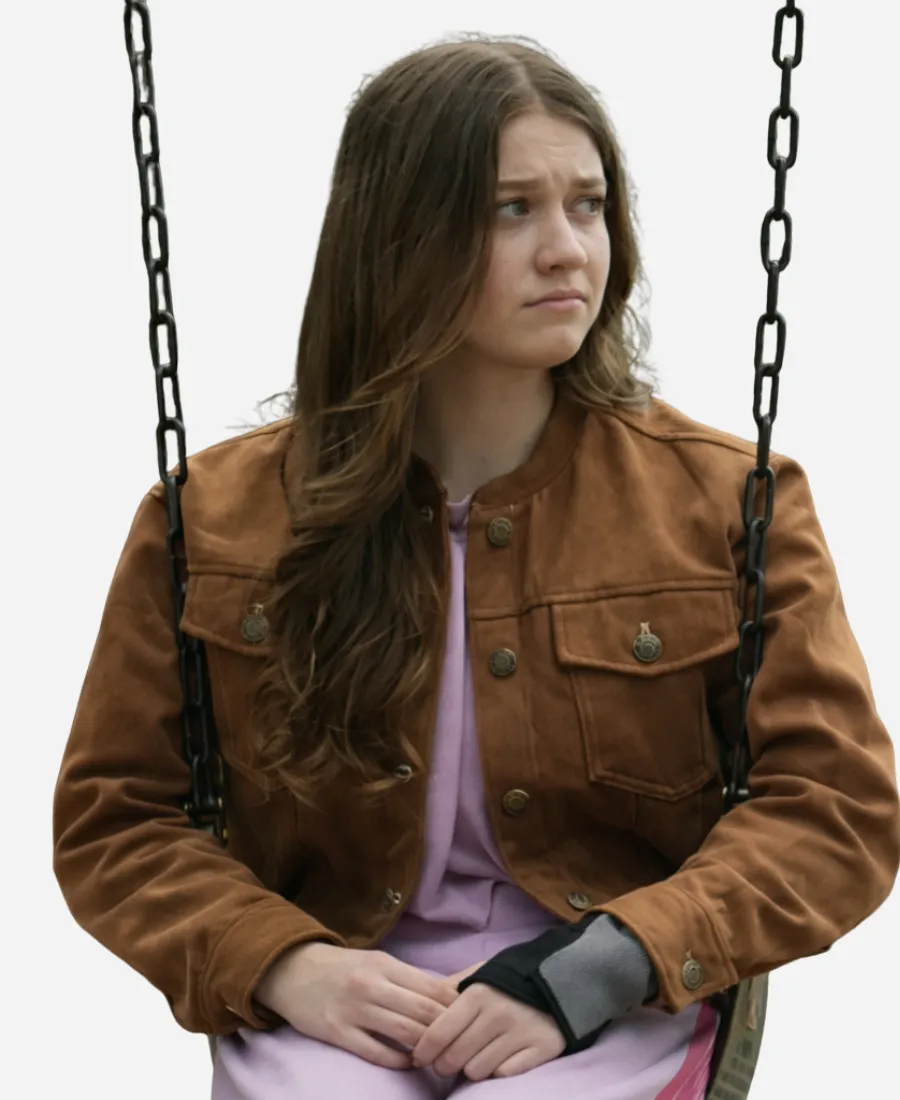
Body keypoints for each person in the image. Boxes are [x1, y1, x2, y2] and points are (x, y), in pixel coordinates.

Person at [53, 33, 899, 1100]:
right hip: (336, 999)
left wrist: (598, 968)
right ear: (398, 237)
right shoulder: (215, 517)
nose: (567, 249)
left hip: (607, 1002)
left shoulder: (724, 501)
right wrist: (280, 962)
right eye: (512, 210)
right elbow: (119, 815)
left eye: (587, 205)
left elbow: (835, 806)